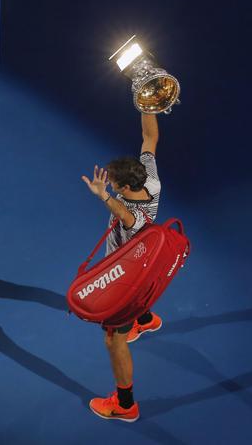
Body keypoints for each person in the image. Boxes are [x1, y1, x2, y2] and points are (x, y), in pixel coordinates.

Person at [80, 112, 164, 422]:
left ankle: (125, 404)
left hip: (126, 280)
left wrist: (103, 196)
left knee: (113, 339)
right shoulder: (151, 180)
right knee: (141, 300)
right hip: (145, 269)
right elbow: (150, 138)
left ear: (126, 187)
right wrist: (147, 102)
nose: (112, 187)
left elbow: (126, 217)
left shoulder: (132, 214)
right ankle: (146, 319)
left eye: (115, 185)